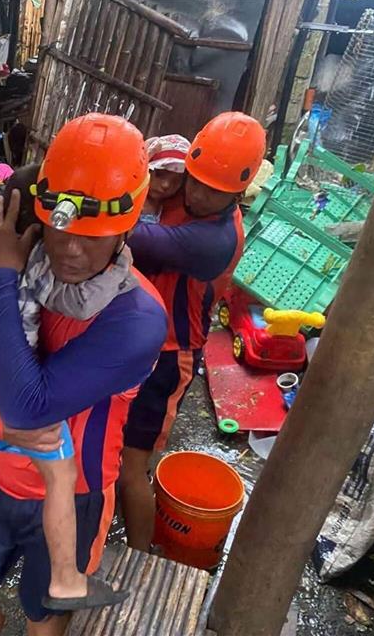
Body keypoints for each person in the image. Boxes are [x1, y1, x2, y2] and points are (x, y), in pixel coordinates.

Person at [0, 113, 168, 636]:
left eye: (94, 235)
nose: (71, 249)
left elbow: (26, 408)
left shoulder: (136, 319)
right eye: (61, 228)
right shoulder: (25, 267)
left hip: (74, 495)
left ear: (129, 225)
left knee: (45, 624)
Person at [119, 112, 266, 551]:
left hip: (169, 354)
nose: (197, 194)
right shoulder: (185, 184)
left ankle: (139, 556)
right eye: (195, 180)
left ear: (238, 192)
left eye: (212, 190)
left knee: (131, 468)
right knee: (106, 442)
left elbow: (135, 239)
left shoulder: (215, 240)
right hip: (130, 336)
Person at [142, 134, 190, 215]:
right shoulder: (127, 197)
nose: (166, 185)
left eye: (176, 181)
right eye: (159, 174)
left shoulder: (175, 211)